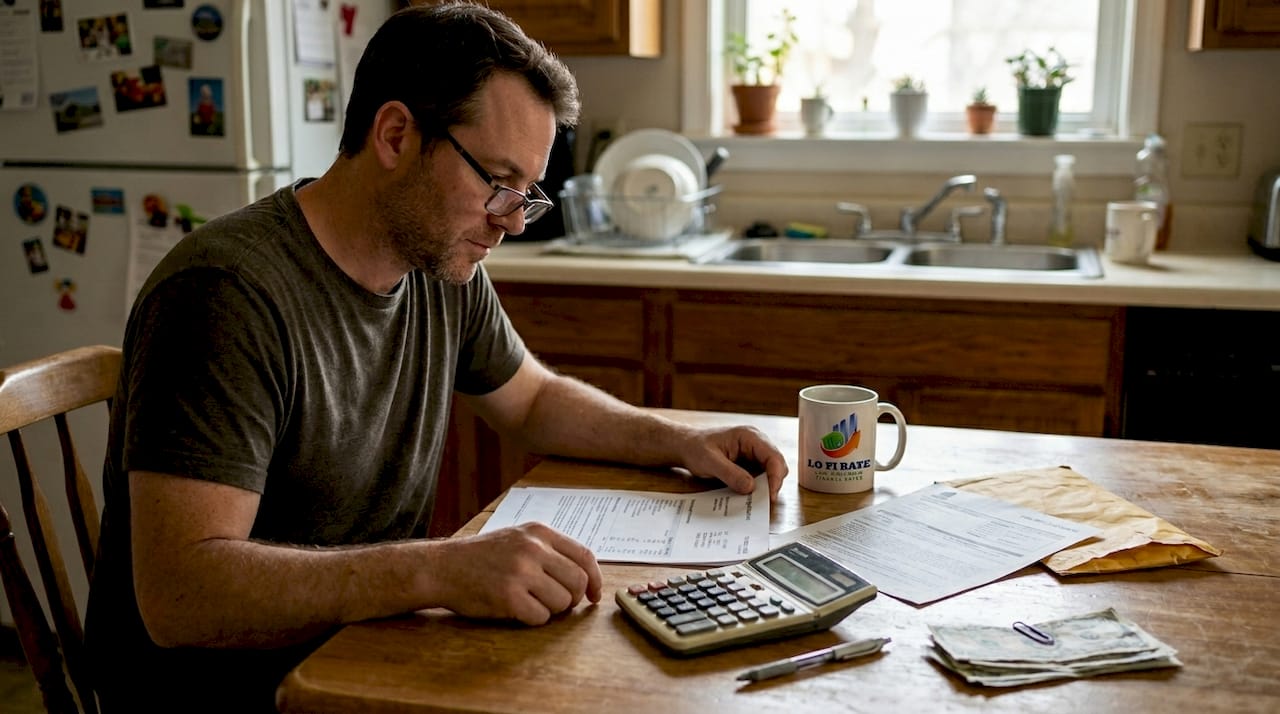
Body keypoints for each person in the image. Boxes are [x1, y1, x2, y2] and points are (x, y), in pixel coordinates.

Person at [83, 3, 787, 712]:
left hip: (363, 647)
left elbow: (534, 401)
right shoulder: (224, 296)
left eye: (526, 194)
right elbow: (181, 598)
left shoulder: (437, 266)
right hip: (241, 693)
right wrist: (436, 570)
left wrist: (679, 440)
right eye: (498, 182)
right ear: (395, 135)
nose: (512, 220)